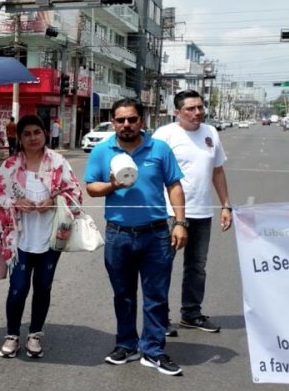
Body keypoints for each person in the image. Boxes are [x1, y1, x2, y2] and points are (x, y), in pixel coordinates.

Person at [84, 97, 188, 376]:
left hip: (156, 235)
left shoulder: (160, 148)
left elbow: (174, 186)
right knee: (124, 295)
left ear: (142, 121)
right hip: (118, 236)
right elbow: (91, 188)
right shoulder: (102, 150)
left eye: (132, 119)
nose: (126, 125)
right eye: (120, 120)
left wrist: (180, 223)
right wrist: (112, 185)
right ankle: (127, 345)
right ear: (114, 122)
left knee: (156, 296)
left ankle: (153, 350)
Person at [0, 115, 83, 359]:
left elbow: (75, 193)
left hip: (50, 238)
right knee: (18, 288)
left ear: (44, 134)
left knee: (43, 287)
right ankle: (12, 335)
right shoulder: (10, 165)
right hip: (19, 240)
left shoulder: (58, 162)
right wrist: (15, 202)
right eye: (26, 134)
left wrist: (53, 201)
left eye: (36, 132)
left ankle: (35, 334)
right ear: (19, 139)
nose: (32, 138)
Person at [153, 90, 232, 334]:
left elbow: (217, 170)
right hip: (170, 214)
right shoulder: (164, 135)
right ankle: (159, 318)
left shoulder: (211, 133)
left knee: (197, 266)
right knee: (162, 265)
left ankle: (191, 313)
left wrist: (225, 205)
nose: (197, 112)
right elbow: (151, 172)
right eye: (190, 109)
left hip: (202, 212)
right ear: (177, 112)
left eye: (200, 107)